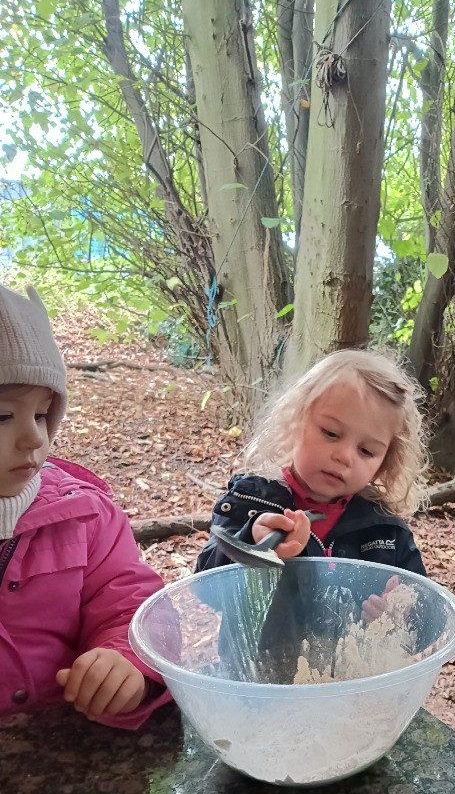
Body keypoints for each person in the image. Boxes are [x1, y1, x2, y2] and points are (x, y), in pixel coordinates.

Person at [0, 283, 171, 728]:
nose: (34, 437)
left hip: (66, 747)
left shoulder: (85, 517)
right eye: (3, 416)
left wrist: (127, 661)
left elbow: (131, 605)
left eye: (41, 414)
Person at [196, 349, 429, 614]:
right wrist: (250, 541)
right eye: (331, 433)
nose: (343, 456)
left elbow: (424, 608)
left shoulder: (385, 530)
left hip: (351, 656)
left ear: (384, 464)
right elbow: (207, 590)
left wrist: (399, 612)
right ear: (294, 420)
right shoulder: (249, 503)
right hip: (258, 656)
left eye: (366, 451)